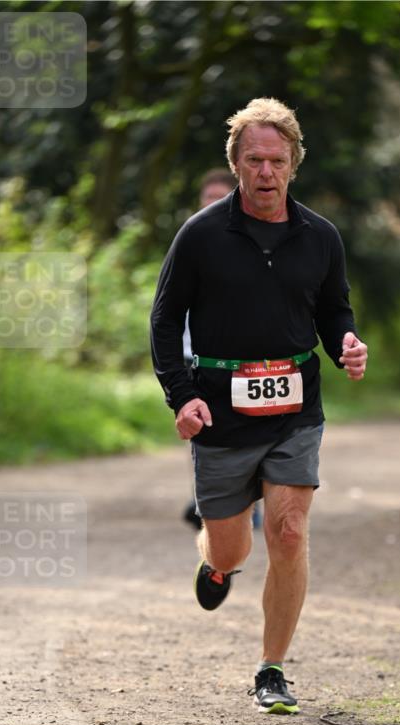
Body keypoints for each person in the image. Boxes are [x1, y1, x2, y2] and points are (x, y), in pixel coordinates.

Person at [150, 97, 367, 715]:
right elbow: (165, 321)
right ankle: (216, 569)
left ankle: (271, 669)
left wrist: (346, 343)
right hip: (221, 410)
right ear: (237, 165)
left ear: (293, 163)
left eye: (276, 159)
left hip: (297, 408)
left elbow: (333, 311)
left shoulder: (321, 237)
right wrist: (183, 397)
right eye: (254, 160)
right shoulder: (201, 236)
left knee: (289, 532)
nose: (266, 171)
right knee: (230, 550)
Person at [182, 170, 237, 530]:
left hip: (240, 360)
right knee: (203, 430)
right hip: (193, 357)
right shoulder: (188, 241)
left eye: (223, 197)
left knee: (242, 429)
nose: (214, 203)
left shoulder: (249, 243)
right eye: (209, 197)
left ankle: (245, 496)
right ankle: (208, 497)